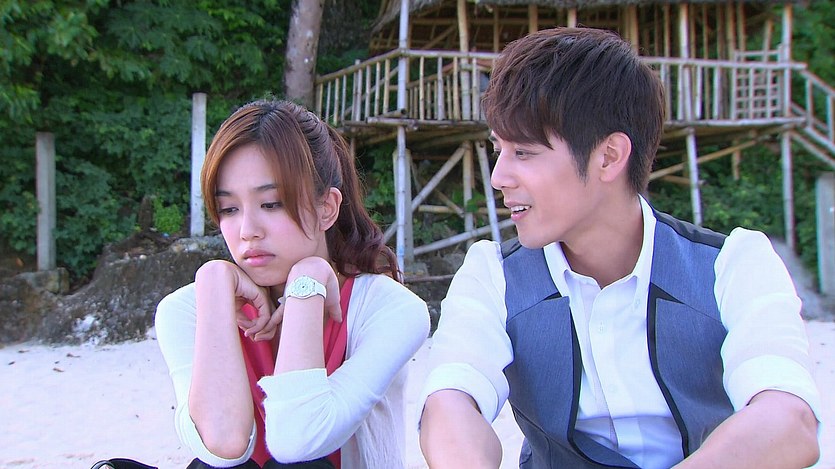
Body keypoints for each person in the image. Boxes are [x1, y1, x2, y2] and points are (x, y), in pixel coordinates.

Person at [417, 27, 821, 469]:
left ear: (608, 156)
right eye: (499, 149)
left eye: (524, 153)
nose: (498, 177)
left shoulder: (734, 265)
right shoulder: (492, 274)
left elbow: (787, 420)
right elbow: (452, 402)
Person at [156, 99, 430, 469]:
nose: (247, 231)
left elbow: (297, 442)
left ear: (326, 208)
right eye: (229, 209)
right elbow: (222, 444)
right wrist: (213, 281)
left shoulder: (392, 310)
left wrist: (307, 281)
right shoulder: (187, 309)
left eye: (271, 204)